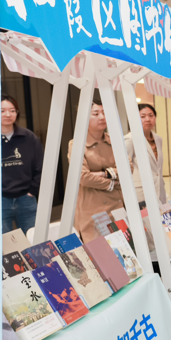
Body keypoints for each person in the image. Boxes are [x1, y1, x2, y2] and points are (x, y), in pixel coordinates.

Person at [68, 96, 126, 243]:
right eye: (96, 113)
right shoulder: (77, 144)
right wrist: (112, 182)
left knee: (124, 250)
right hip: (93, 209)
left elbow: (128, 168)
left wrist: (103, 173)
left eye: (104, 113)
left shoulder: (115, 140)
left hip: (118, 205)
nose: (102, 117)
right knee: (100, 251)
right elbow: (83, 178)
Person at [2, 95, 43, 234]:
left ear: (17, 113)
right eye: (2, 111)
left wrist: (33, 191)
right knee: (3, 243)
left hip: (26, 198)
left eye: (12, 110)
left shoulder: (28, 137)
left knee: (33, 240)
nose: (8, 114)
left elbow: (41, 166)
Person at [124, 103, 166, 205]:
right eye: (142, 116)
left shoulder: (158, 139)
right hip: (140, 191)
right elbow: (125, 168)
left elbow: (157, 168)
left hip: (159, 188)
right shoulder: (130, 139)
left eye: (151, 115)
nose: (147, 119)